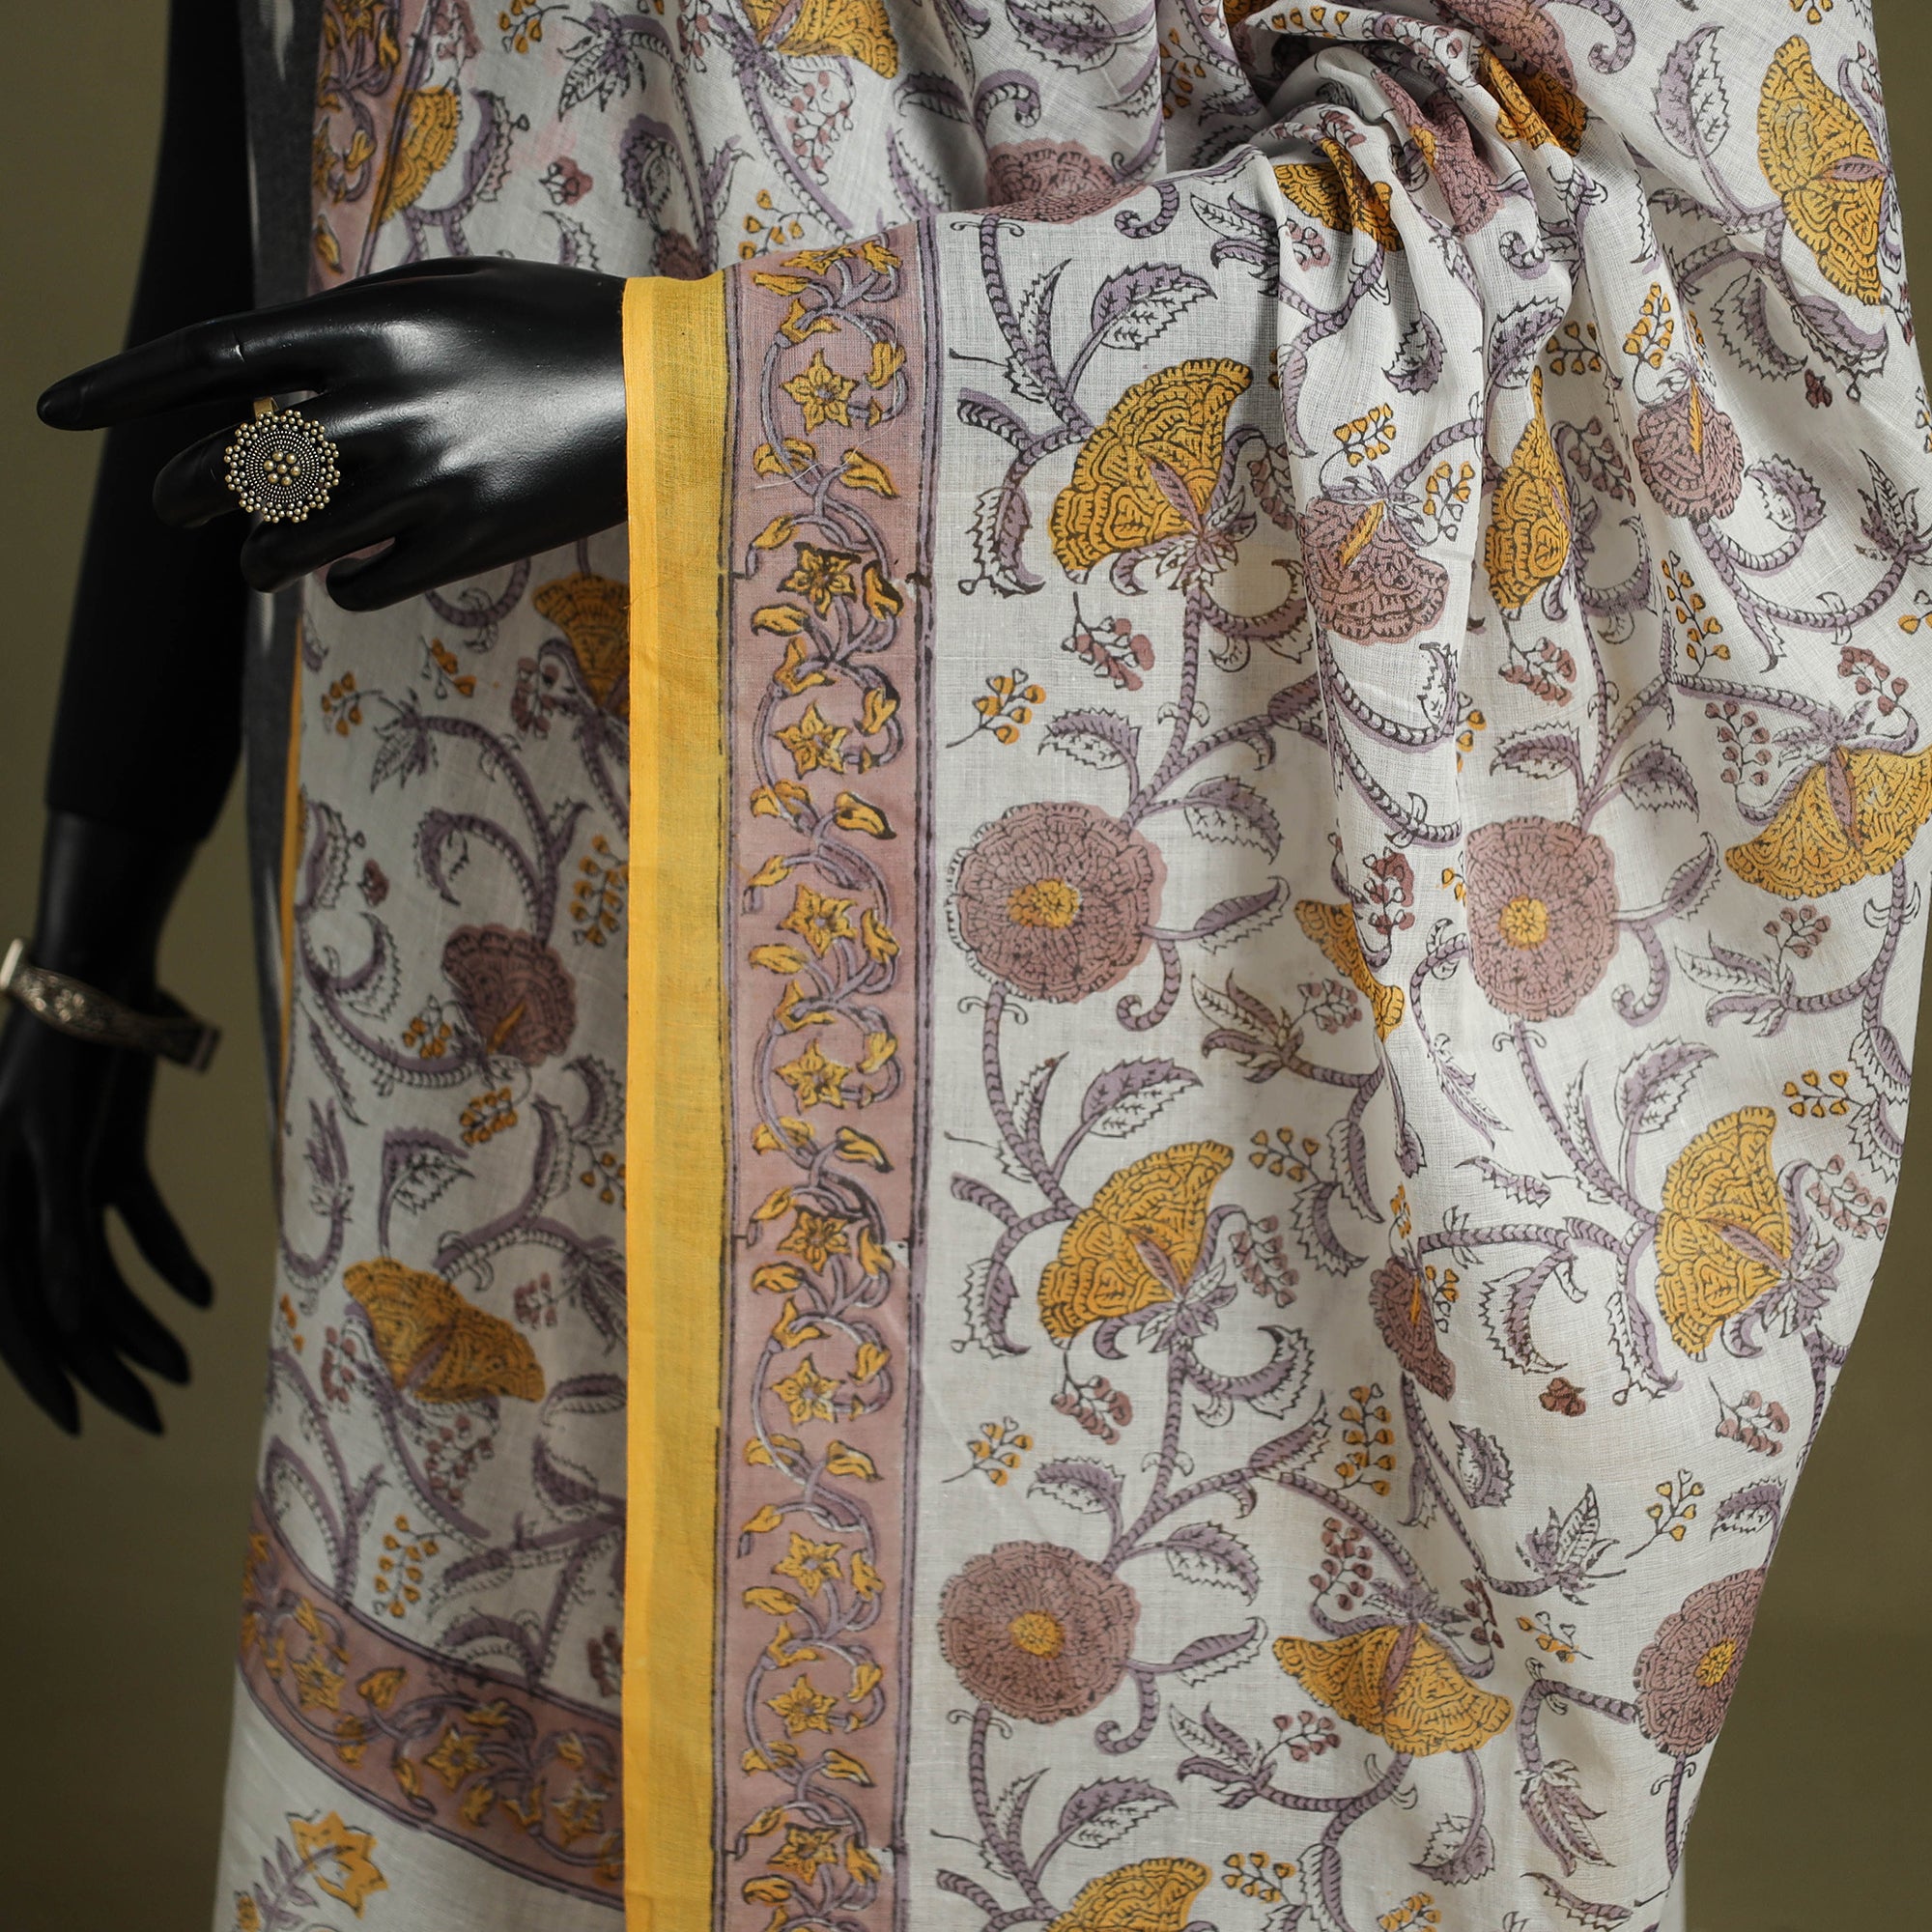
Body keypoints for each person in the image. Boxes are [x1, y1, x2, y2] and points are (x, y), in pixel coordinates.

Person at [12, 2, 1927, 1927]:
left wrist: (710, 390)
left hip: (1083, 979)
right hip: (466, 944)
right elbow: (254, 177)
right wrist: (85, 936)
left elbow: (1569, 181)